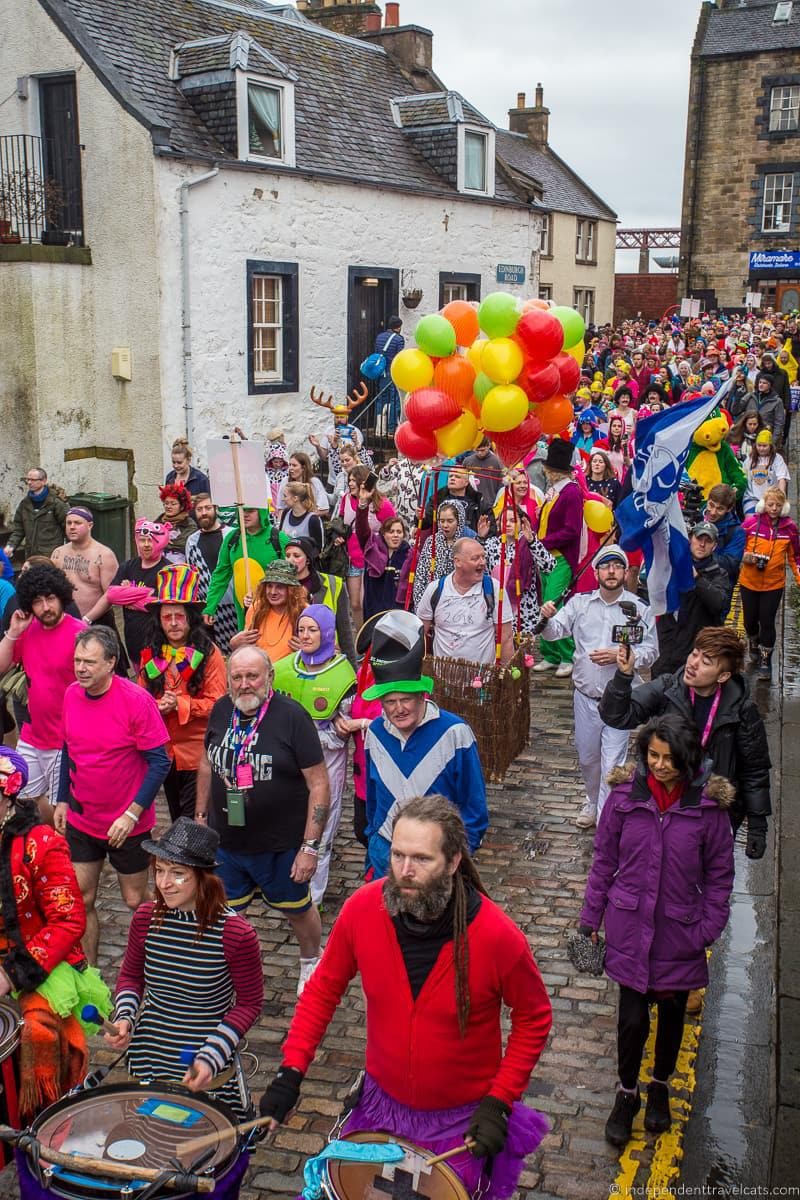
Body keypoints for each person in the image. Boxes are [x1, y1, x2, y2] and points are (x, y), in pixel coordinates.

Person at [258, 796, 553, 1200]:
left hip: (460, 1122)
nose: (405, 872)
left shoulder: (499, 937)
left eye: (421, 859)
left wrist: (499, 1101)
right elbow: (322, 991)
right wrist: (290, 1071)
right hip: (381, 1109)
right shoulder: (361, 910)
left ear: (452, 863)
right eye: (397, 855)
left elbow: (534, 1018)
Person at [579, 715, 734, 1147]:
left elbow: (720, 876)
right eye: (653, 756)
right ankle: (626, 1092)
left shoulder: (708, 809)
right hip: (630, 928)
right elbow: (604, 862)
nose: (660, 765)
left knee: (670, 1017)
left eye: (669, 758)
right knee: (631, 1020)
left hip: (680, 931)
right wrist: (591, 919)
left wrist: (707, 927)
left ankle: (660, 1085)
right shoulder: (625, 798)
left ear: (687, 760)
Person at [107, 818, 263, 1126]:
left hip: (203, 1066)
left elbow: (249, 1004)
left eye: (178, 874)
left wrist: (211, 1055)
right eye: (160, 870)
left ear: (204, 879)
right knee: (149, 1143)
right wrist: (124, 1015)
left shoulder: (236, 934)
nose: (164, 883)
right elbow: (132, 977)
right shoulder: (145, 919)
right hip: (148, 1057)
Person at [196, 645, 329, 995]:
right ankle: (232, 971)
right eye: (236, 677)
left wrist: (310, 848)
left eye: (252, 676)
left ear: (269, 677)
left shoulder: (292, 717)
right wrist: (199, 818)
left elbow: (319, 784)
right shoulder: (222, 710)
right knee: (224, 914)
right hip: (227, 844)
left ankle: (311, 960)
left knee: (298, 910)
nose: (244, 684)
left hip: (281, 845)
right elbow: (207, 764)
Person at [599, 625, 771, 863]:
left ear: (723, 676)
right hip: (662, 803)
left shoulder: (741, 710)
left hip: (710, 809)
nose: (693, 663)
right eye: (695, 653)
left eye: (706, 661)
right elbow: (616, 716)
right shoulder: (669, 687)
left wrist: (757, 825)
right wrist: (623, 676)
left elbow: (755, 768)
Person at [56, 626, 171, 963]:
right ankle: (91, 975)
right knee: (82, 897)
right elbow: (68, 748)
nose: (80, 669)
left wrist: (132, 813)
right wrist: (63, 797)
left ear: (111, 662)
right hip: (82, 817)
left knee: (136, 900)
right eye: (77, 661)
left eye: (89, 662)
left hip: (126, 824)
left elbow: (159, 762)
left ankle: (159, 962)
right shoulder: (71, 695)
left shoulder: (137, 701)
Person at [0, 748, 98, 1126]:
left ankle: (46, 1117)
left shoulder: (42, 843)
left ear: (7, 794)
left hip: (40, 959)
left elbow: (68, 922)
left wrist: (10, 975)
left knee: (39, 1031)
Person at [361, 611, 488, 878]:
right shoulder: (374, 732)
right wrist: (372, 847)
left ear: (422, 695)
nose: (398, 709)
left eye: (405, 699)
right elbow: (372, 800)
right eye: (389, 702)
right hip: (384, 852)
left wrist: (461, 859)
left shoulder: (455, 733)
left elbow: (474, 806)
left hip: (435, 857)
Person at [539, 544, 657, 830]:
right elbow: (554, 632)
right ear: (596, 572)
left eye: (617, 566)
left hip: (620, 700)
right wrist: (546, 615)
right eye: (606, 566)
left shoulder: (639, 610)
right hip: (585, 698)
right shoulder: (580, 604)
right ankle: (592, 801)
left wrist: (623, 656)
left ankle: (607, 819)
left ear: (626, 572)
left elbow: (651, 650)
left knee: (612, 763)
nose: (612, 571)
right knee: (589, 758)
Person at [273, 605, 356, 905]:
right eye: (302, 629)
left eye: (313, 629)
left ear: (327, 633)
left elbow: (340, 734)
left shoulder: (343, 676)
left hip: (326, 768)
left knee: (320, 833)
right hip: (289, 770)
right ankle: (289, 885)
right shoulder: (283, 669)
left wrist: (309, 737)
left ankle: (313, 899)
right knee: (290, 826)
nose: (306, 635)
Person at [137, 565, 227, 822]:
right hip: (165, 756)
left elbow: (218, 704)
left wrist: (180, 704)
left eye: (179, 616)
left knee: (194, 823)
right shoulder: (150, 655)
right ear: (159, 620)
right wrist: (158, 706)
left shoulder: (210, 654)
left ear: (190, 617)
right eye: (167, 617)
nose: (174, 623)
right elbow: (142, 702)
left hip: (199, 756)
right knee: (178, 819)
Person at [0, 564, 84, 823]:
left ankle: (58, 851)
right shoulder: (27, 630)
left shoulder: (80, 632)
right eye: (37, 601)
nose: (45, 607)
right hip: (32, 734)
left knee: (60, 810)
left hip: (65, 740)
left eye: (50, 599)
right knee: (21, 798)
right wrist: (13, 633)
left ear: (61, 596)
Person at [83, 518, 171, 669]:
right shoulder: (128, 566)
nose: (146, 545)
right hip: (134, 642)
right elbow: (112, 595)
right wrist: (146, 594)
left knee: (157, 684)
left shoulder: (168, 570)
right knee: (141, 683)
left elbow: (163, 604)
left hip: (160, 644)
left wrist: (128, 594)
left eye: (151, 540)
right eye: (142, 540)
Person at [417, 537, 514, 667]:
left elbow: (506, 638)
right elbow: (419, 632)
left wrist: (506, 675)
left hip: (483, 679)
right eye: (475, 558)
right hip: (442, 678)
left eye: (483, 557)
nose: (482, 562)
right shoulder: (435, 589)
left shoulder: (494, 589)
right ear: (457, 562)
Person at [651, 522, 731, 678]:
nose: (702, 544)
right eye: (699, 538)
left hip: (695, 649)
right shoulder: (671, 565)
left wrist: (696, 578)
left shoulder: (719, 574)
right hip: (667, 644)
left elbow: (719, 603)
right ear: (690, 539)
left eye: (708, 541)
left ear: (714, 546)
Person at [532, 439, 584, 677]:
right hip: (546, 557)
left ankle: (566, 654)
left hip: (560, 557)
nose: (546, 472)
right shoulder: (554, 491)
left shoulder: (571, 492)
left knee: (554, 603)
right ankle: (550, 653)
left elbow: (571, 530)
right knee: (544, 603)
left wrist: (544, 542)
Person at [739, 486, 800, 680]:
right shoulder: (750, 524)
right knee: (749, 622)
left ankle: (766, 661)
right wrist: (745, 557)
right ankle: (753, 643)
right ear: (763, 505)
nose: (774, 508)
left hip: (773, 585)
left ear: (784, 507)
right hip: (749, 582)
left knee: (767, 621)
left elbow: (796, 558)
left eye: (778, 505)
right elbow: (735, 547)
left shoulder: (790, 528)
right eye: (771, 504)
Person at [203, 506, 289, 632]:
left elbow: (293, 578)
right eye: (241, 510)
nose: (244, 515)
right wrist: (210, 606)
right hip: (243, 612)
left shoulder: (278, 538)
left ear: (261, 512)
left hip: (274, 610)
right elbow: (221, 575)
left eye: (250, 511)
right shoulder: (232, 538)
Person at [480, 505, 555, 639]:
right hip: (497, 607)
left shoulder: (529, 543)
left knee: (521, 653)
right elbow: (478, 571)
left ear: (522, 523)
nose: (507, 524)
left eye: (512, 521)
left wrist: (532, 541)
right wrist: (480, 539)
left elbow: (549, 566)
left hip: (523, 610)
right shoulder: (491, 544)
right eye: (504, 521)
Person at [337, 466, 396, 634]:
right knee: (355, 603)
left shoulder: (382, 504)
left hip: (373, 558)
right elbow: (341, 522)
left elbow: (393, 528)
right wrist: (338, 534)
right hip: (352, 557)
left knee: (366, 601)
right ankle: (361, 637)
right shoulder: (346, 499)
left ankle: (373, 636)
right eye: (349, 480)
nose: (350, 483)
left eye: (354, 480)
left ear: (364, 483)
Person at [283, 536, 357, 667]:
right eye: (287, 555)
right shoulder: (280, 587)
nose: (290, 560)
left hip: (327, 660)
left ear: (308, 560)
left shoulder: (334, 584)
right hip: (290, 660)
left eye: (296, 555)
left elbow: (345, 631)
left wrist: (352, 670)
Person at [185, 494, 238, 655]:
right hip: (206, 610)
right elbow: (192, 576)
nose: (204, 513)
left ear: (215, 509)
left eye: (208, 508)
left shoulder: (232, 535)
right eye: (199, 509)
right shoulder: (191, 541)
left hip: (233, 605)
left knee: (235, 653)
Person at [233, 559, 308, 663]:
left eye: (279, 587)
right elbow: (246, 648)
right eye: (269, 586)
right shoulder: (256, 608)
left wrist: (308, 650)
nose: (273, 592)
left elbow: (325, 650)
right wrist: (234, 644)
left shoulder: (305, 611)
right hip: (260, 673)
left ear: (291, 589)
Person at [51, 507, 119, 618]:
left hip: (97, 621)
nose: (72, 527)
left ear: (90, 525)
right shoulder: (58, 553)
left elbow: (110, 594)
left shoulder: (104, 555)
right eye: (69, 523)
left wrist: (87, 619)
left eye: (78, 523)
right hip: (65, 621)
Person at [412, 499, 467, 611]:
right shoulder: (431, 542)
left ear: (459, 521)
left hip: (457, 608)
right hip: (431, 603)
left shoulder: (465, 544)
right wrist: (421, 607)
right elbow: (420, 576)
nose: (445, 525)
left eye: (450, 521)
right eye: (442, 521)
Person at [357, 512, 410, 625]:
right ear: (383, 534)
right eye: (391, 532)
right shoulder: (372, 551)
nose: (395, 535)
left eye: (399, 532)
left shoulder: (409, 556)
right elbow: (362, 530)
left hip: (398, 617)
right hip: (374, 614)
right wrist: (362, 506)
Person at [5, 468, 68, 561]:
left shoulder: (56, 503)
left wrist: (70, 552)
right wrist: (11, 546)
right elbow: (19, 529)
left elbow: (68, 528)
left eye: (33, 480)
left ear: (43, 481)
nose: (29, 482)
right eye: (28, 479)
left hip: (51, 556)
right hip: (31, 556)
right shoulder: (25, 504)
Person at [423, 464, 491, 535]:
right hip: (443, 543)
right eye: (450, 476)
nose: (452, 478)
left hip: (470, 542)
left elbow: (489, 529)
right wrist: (421, 517)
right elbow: (424, 525)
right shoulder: (437, 499)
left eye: (457, 477)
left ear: (466, 482)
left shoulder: (478, 502)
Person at [703, 483, 745, 583]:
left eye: (720, 509)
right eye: (711, 505)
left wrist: (700, 554)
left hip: (717, 586)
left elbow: (730, 565)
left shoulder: (736, 532)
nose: (713, 512)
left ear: (729, 509)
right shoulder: (696, 518)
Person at [743, 429, 790, 514]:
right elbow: (743, 475)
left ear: (770, 446)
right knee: (751, 521)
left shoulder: (777, 459)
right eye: (759, 445)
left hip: (771, 497)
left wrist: (781, 497)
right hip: (752, 497)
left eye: (764, 446)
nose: (761, 448)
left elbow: (782, 478)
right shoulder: (750, 458)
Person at [374, 315, 404, 434]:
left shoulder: (379, 337)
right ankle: (391, 428)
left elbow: (377, 353)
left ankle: (379, 429)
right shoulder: (399, 339)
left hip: (382, 373)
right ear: (398, 327)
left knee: (381, 399)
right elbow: (400, 358)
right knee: (394, 400)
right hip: (392, 373)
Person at [277, 482, 325, 554]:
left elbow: (318, 548)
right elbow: (280, 537)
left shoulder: (313, 519)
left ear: (295, 498)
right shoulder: (286, 512)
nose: (283, 499)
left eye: (285, 496)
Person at [157, 482, 198, 563]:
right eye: (166, 503)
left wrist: (161, 541)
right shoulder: (158, 521)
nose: (168, 507)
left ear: (182, 506)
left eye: (173, 504)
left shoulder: (189, 524)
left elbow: (181, 544)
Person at [280, 452, 330, 516]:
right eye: (290, 465)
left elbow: (324, 509)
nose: (290, 468)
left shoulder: (314, 482)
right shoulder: (285, 481)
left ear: (303, 468)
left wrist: (304, 518)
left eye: (294, 465)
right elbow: (281, 508)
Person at [463, 437, 503, 507]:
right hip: (471, 503)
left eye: (482, 450)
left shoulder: (498, 461)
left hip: (491, 503)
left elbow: (502, 486)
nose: (479, 453)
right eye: (477, 450)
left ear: (489, 446)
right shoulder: (467, 461)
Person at [753, 372, 785, 445]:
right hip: (752, 435)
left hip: (766, 436)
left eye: (764, 383)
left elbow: (779, 423)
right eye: (760, 382)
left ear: (770, 385)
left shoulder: (777, 401)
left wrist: (773, 441)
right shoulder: (752, 396)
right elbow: (736, 411)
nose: (761, 384)